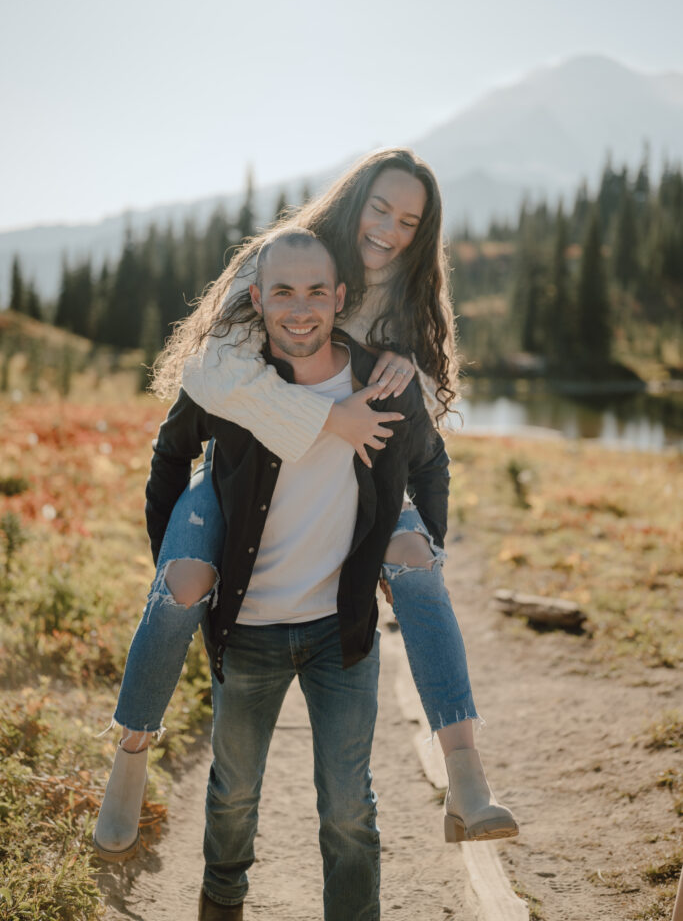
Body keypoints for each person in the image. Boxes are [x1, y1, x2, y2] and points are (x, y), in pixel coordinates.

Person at [94, 147, 517, 866]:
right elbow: (207, 368)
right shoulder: (284, 259)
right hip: (244, 474)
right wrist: (326, 420)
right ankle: (130, 755)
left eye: (408, 220)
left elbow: (426, 421)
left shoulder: (411, 299)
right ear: (355, 198)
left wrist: (406, 371)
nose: (387, 229)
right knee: (183, 581)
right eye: (379, 207)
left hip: (355, 481)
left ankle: (465, 774)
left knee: (417, 560)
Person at [145, 228, 449, 919]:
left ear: (340, 298)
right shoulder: (236, 385)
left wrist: (416, 559)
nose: (300, 307)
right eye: (282, 291)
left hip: (339, 634)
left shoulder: (380, 378)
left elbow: (430, 463)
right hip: (245, 629)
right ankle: (221, 901)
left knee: (348, 804)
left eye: (316, 291)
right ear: (257, 299)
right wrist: (175, 565)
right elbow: (169, 456)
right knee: (233, 791)